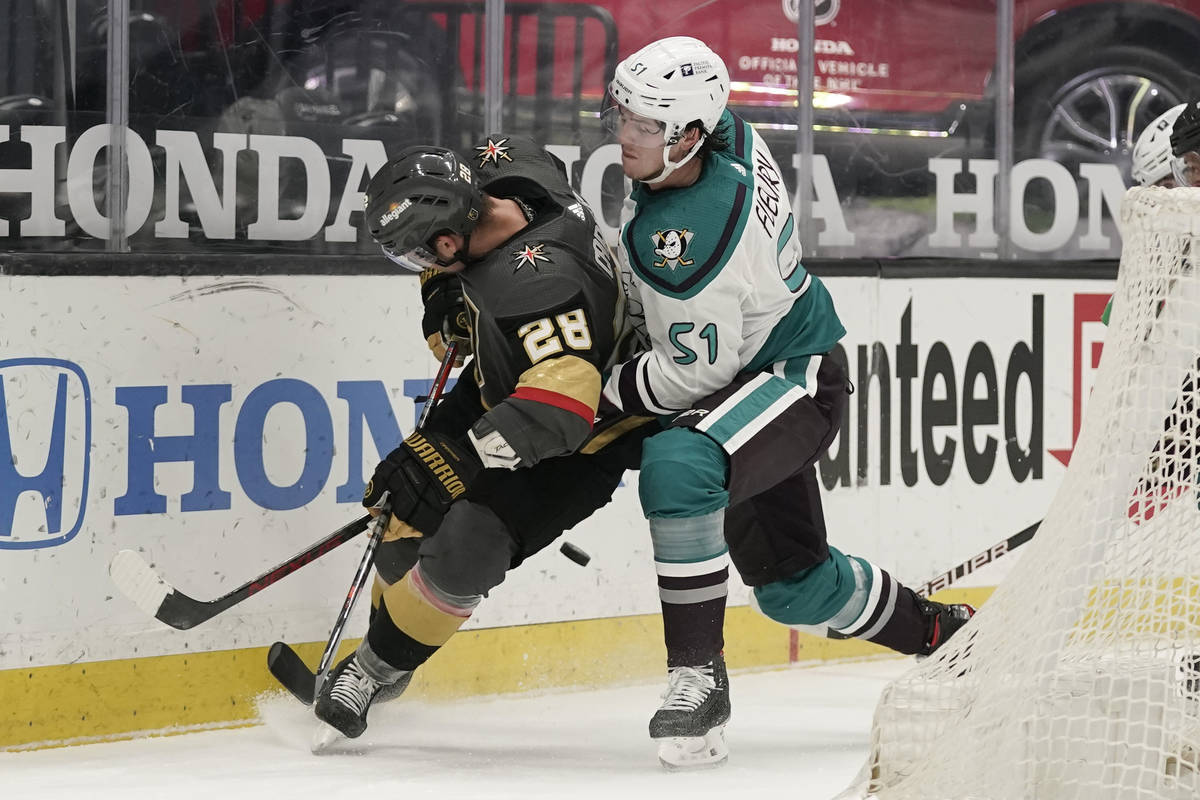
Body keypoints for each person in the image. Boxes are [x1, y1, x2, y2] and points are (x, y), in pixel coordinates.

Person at [599, 37, 976, 768]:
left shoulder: (687, 237)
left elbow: (686, 380)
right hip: (752, 360)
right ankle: (947, 635)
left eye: (646, 125)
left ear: (688, 135)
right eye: (625, 116)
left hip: (789, 375)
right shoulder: (724, 131)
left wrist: (599, 393)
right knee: (797, 591)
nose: (626, 136)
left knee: (677, 461)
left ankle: (696, 676)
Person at [312, 136, 648, 744]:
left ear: (447, 242)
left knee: (465, 544)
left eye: (424, 259)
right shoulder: (510, 169)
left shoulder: (540, 287)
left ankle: (373, 669)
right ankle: (388, 644)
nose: (423, 267)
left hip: (580, 440)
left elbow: (563, 410)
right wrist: (446, 290)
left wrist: (458, 458)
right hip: (505, 376)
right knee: (402, 502)